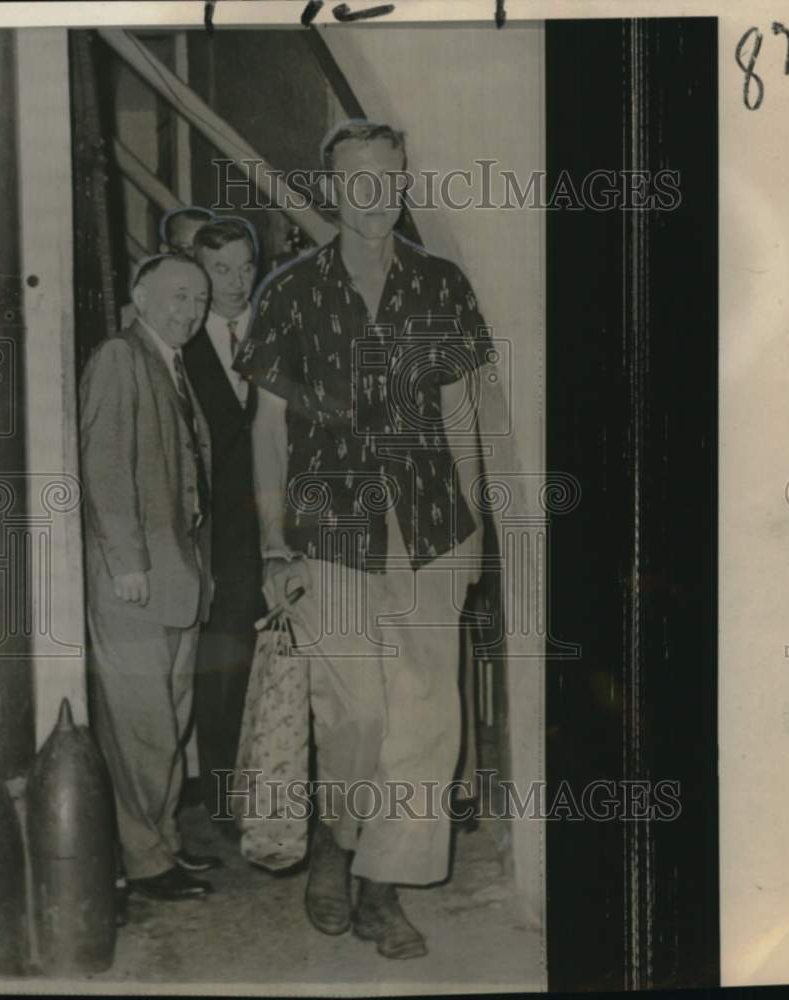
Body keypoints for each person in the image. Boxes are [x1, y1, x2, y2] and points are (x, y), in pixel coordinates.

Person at [234, 120, 490, 958]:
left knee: (425, 722)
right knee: (354, 717)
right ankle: (339, 847)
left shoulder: (441, 285)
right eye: (357, 180)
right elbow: (269, 429)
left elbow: (459, 414)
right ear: (332, 188)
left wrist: (472, 532)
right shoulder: (290, 290)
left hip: (430, 532)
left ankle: (382, 888)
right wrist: (273, 545)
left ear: (404, 179)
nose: (374, 194)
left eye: (388, 176)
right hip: (328, 533)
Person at [79, 253, 222, 902]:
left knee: (171, 721)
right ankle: (143, 861)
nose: (188, 310)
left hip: (180, 578)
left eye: (199, 300)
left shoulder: (173, 364)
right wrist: (128, 561)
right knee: (143, 727)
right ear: (140, 292)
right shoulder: (120, 356)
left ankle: (160, 844)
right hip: (135, 581)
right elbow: (103, 465)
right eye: (177, 294)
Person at [183, 218, 264, 824]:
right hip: (218, 541)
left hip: (281, 530)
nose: (236, 283)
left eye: (245, 267)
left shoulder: (277, 329)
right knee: (223, 669)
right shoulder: (180, 345)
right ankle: (222, 800)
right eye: (221, 270)